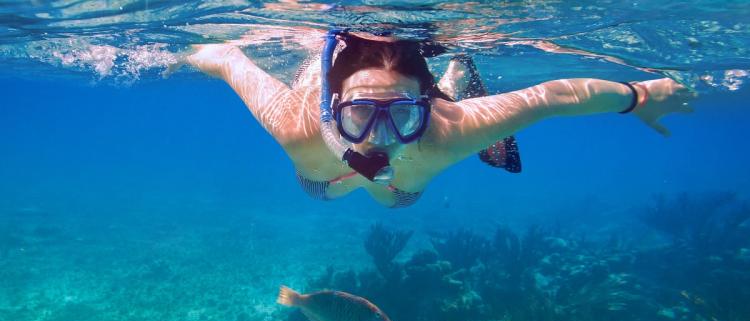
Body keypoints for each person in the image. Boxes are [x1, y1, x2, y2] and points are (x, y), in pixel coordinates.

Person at [182, 30, 696, 208]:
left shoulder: (447, 130)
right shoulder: (298, 124)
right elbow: (229, 57)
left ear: (423, 108)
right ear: (332, 106)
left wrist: (639, 95)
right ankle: (447, 78)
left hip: (398, 186)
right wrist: (187, 53)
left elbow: (549, 97)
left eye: (403, 113)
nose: (379, 137)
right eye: (360, 113)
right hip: (325, 175)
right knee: (338, 187)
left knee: (390, 201)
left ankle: (452, 78)